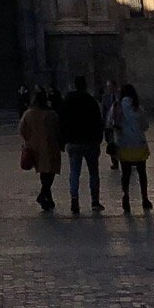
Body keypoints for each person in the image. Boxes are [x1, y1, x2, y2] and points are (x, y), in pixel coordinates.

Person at [60, 75, 106, 214]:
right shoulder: (91, 101)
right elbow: (99, 121)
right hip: (90, 141)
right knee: (93, 172)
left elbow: (62, 120)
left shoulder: (67, 101)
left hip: (73, 142)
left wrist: (64, 139)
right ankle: (95, 201)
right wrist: (99, 139)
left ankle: (74, 198)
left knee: (74, 172)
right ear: (85, 86)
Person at [19, 89, 64, 211]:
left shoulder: (28, 114)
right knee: (50, 172)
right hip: (50, 146)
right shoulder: (51, 114)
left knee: (43, 172)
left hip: (34, 148)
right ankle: (43, 194)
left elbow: (22, 129)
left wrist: (29, 140)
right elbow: (58, 129)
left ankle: (48, 199)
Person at [111, 83, 153, 211]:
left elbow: (109, 123)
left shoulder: (116, 107)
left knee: (126, 173)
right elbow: (145, 126)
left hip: (123, 144)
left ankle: (126, 196)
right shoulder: (138, 108)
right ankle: (144, 198)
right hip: (139, 144)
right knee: (142, 173)